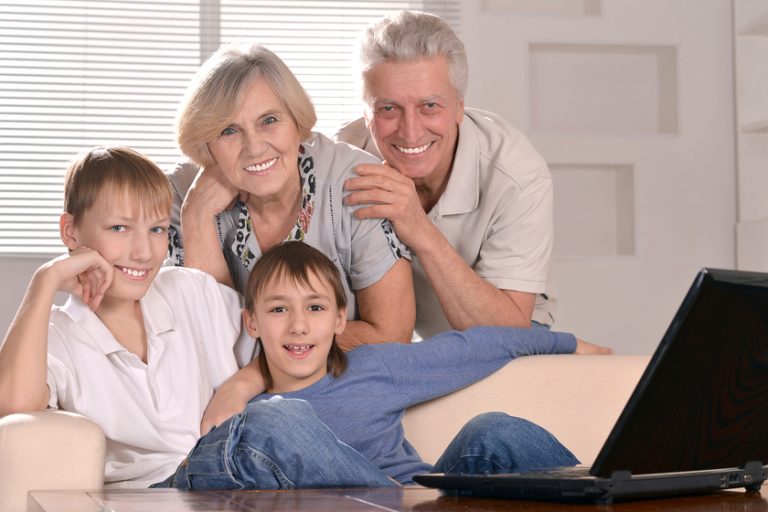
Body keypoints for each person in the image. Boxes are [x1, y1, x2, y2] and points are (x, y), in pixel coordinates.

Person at [153, 241, 610, 490]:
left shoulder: (372, 367)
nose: (297, 326)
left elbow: (475, 345)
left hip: (426, 499)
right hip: (350, 497)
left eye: (314, 309)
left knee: (494, 429)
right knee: (274, 420)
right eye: (278, 310)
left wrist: (569, 343)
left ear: (338, 320)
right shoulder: (254, 418)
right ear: (251, 323)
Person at [0, 146, 248, 487]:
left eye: (158, 229)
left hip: (238, 478)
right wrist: (46, 280)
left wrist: (244, 382)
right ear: (71, 232)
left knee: (286, 417)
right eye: (119, 228)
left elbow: (278, 345)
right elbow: (13, 407)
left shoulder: (189, 290)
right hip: (156, 492)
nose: (144, 252)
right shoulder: (58, 335)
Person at [167, 41, 415, 350]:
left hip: (348, 381)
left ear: (297, 122)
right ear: (206, 143)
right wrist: (197, 217)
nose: (255, 148)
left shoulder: (359, 182)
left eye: (269, 120)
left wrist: (262, 353)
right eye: (228, 131)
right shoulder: (178, 197)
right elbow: (199, 343)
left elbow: (390, 338)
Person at [338, 10, 557, 338]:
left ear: (459, 107)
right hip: (404, 334)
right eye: (388, 108)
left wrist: (418, 228)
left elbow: (506, 331)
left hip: (507, 325)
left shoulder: (518, 176)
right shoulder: (343, 158)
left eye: (430, 106)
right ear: (365, 112)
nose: (410, 133)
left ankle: (554, 345)